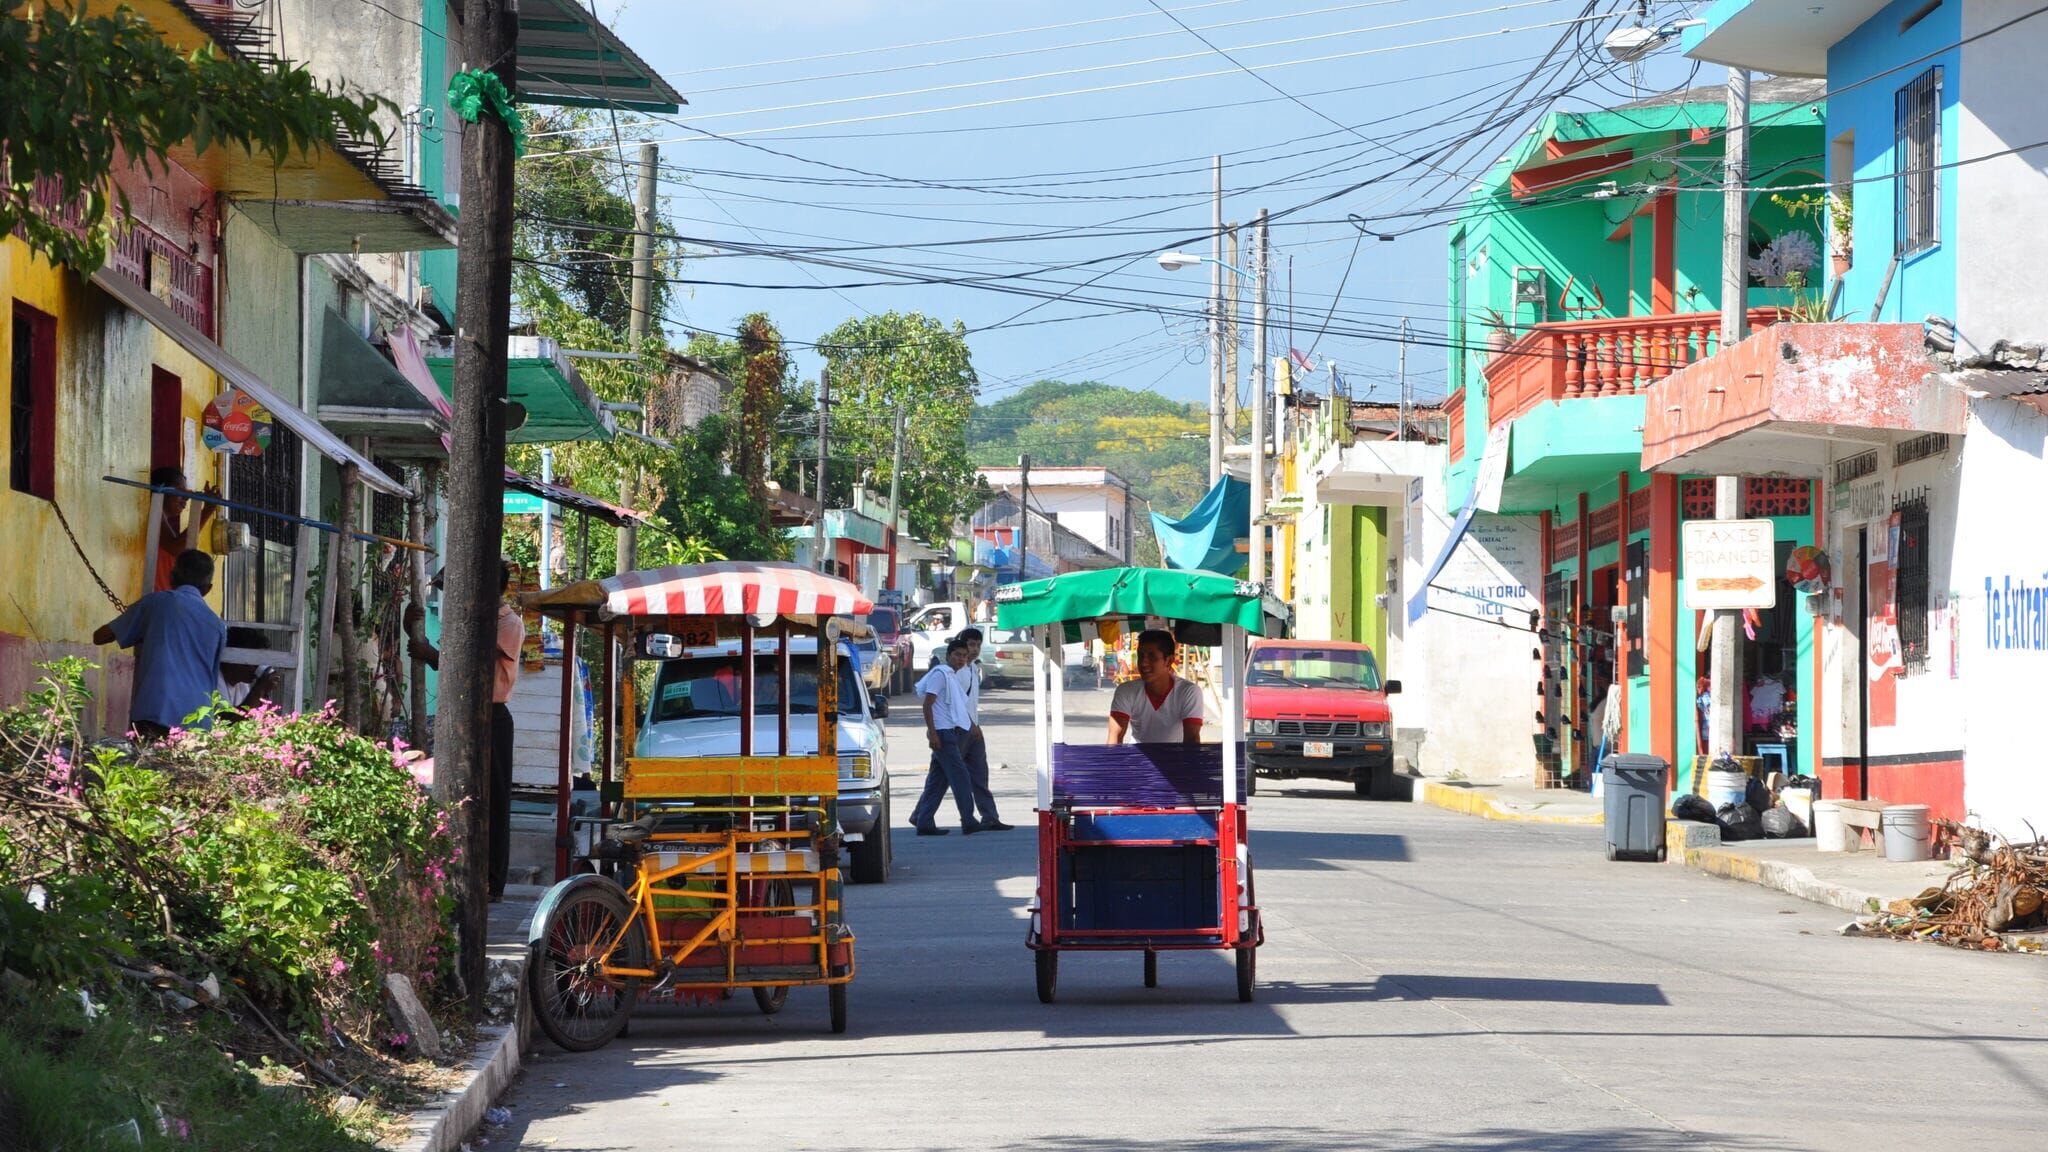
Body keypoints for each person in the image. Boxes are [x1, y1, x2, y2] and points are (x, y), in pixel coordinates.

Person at [404, 562, 524, 901]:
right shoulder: (472, 619)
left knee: (495, 801)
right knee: (457, 793)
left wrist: (431, 652)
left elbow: (468, 661)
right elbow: (452, 661)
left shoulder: (507, 624)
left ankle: (491, 882)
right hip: (462, 714)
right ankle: (460, 873)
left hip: (492, 716)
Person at [94, 548, 227, 741]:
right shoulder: (218, 625)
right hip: (198, 719)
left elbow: (100, 637)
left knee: (146, 768)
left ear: (172, 577)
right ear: (208, 589)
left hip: (156, 712)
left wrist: (137, 618)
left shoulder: (157, 603)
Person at [907, 638, 981, 836]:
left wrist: (970, 726)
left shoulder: (951, 676)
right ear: (948, 656)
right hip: (942, 733)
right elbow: (927, 705)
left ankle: (923, 821)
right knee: (961, 777)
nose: (961, 659)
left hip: (948, 731)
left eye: (964, 656)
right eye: (957, 655)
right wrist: (932, 733)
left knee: (937, 781)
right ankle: (968, 819)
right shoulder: (941, 675)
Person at [951, 627, 1011, 831]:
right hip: (959, 729)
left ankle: (989, 816)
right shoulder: (957, 672)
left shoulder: (973, 669)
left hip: (973, 729)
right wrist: (971, 724)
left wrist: (975, 725)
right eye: (970, 645)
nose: (975, 649)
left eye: (978, 645)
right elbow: (956, 703)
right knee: (942, 777)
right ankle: (922, 815)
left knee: (979, 774)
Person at [1107, 629, 1204, 745]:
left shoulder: (1189, 692)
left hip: (1176, 759)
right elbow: (1114, 739)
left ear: (1169, 661)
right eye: (1141, 656)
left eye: (1152, 657)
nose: (1143, 663)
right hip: (1137, 759)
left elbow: (1192, 741)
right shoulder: (1126, 691)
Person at [148, 466, 219, 594]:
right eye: (180, 491)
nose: (186, 497)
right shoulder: (153, 516)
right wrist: (207, 511)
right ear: (163, 489)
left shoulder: (162, 521)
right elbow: (175, 548)